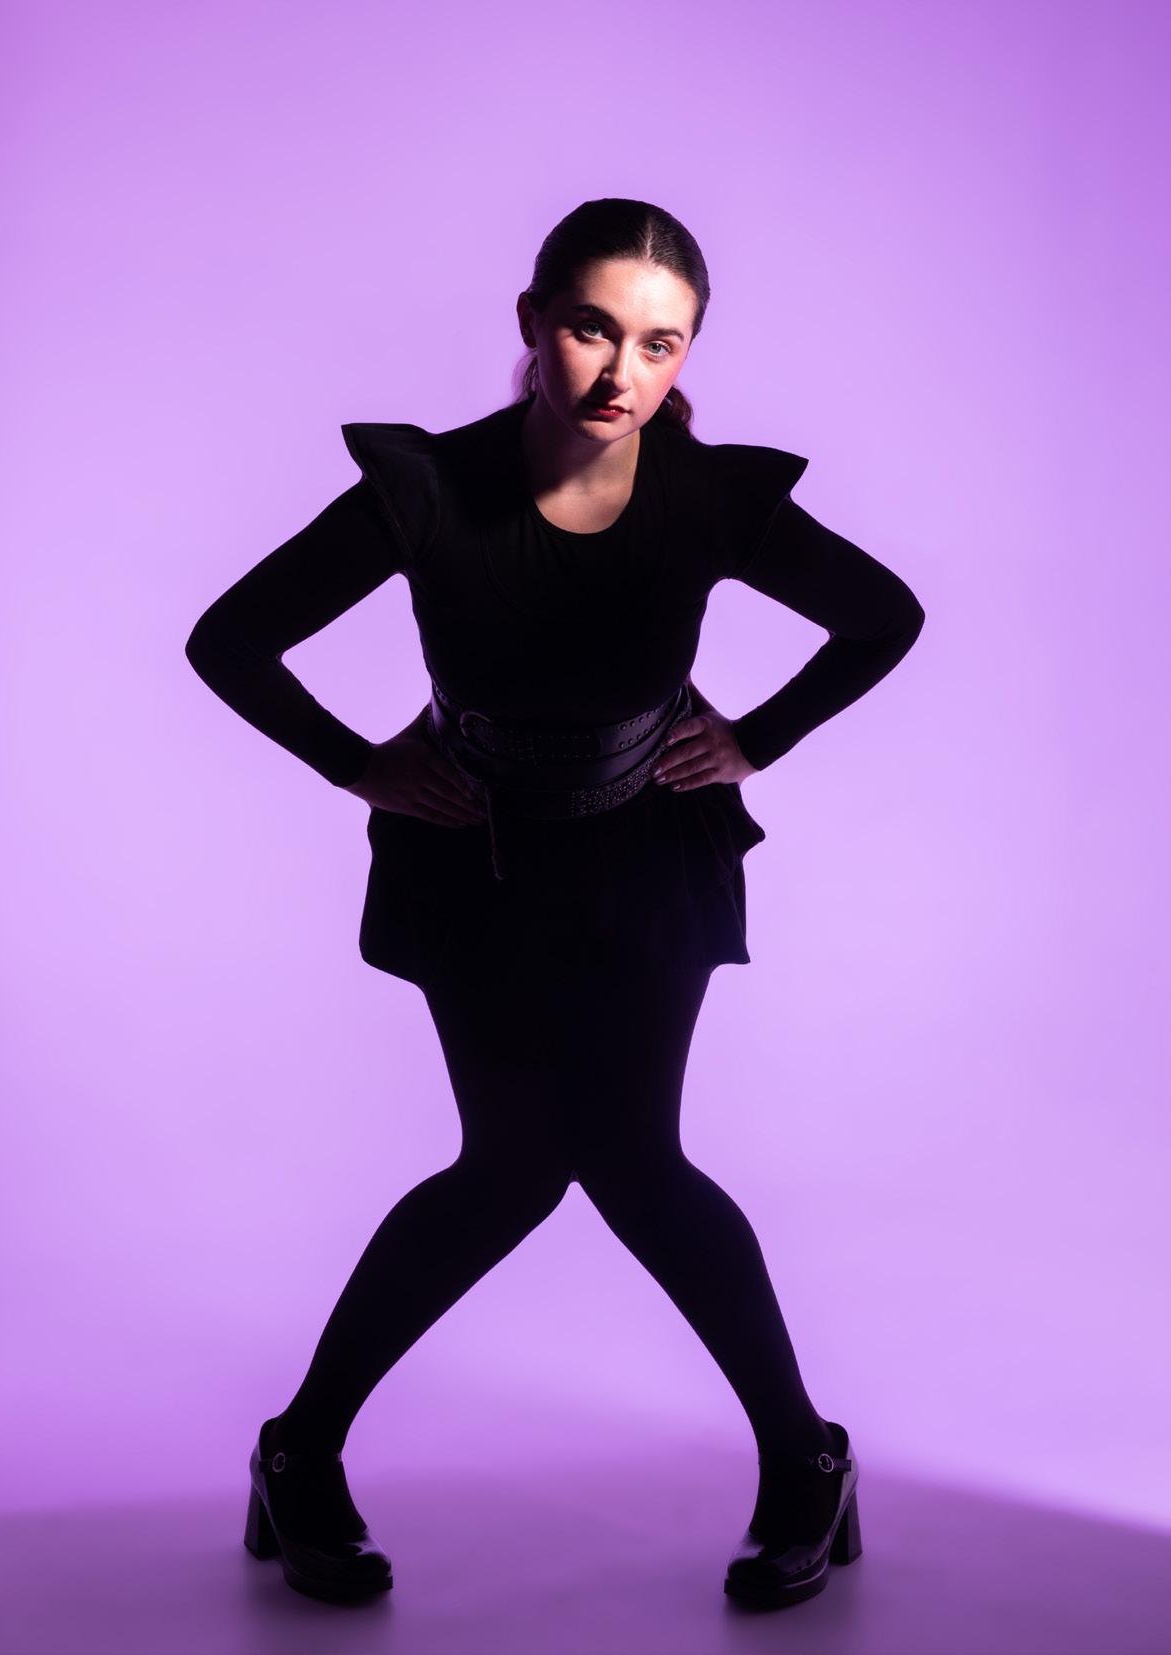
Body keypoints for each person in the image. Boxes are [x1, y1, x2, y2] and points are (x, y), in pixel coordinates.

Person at [185, 197, 925, 1610]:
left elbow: (883, 615)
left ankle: (799, 1458)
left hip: (648, 849)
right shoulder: (428, 490)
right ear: (533, 324)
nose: (619, 371)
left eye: (659, 343)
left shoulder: (707, 498)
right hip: (478, 858)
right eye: (592, 329)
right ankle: (304, 1451)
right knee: (520, 1164)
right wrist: (359, 764)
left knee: (625, 1156)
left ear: (686, 353)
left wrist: (757, 739)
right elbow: (229, 638)